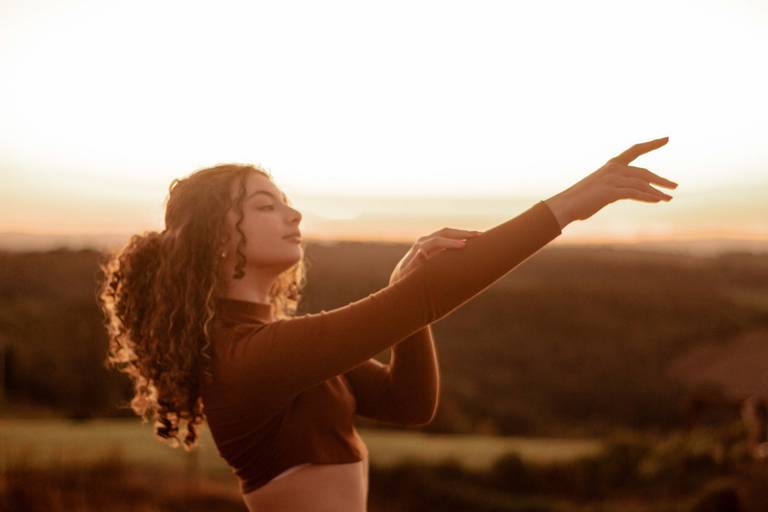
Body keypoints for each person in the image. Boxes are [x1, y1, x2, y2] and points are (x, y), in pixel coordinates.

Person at [96, 137, 678, 511]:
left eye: (284, 200)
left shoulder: (275, 347)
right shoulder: (245, 355)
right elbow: (425, 298)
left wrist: (406, 299)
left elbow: (409, 402)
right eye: (265, 205)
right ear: (217, 238)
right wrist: (570, 205)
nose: (293, 213)